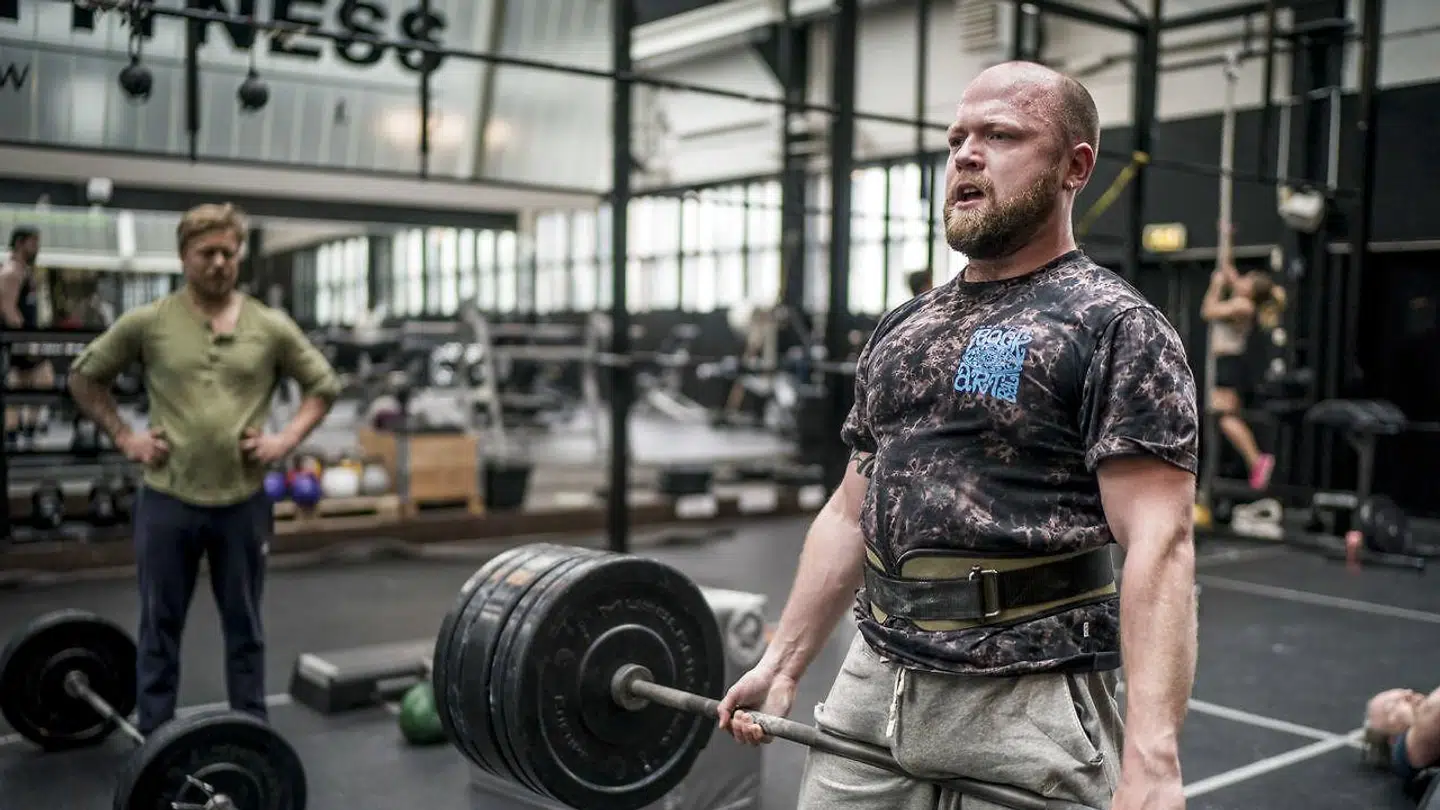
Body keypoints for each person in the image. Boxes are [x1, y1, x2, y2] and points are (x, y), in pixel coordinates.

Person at [716, 61, 1199, 810]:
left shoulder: (1115, 326)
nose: (966, 155)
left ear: (1075, 166)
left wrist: (1154, 760)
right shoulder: (906, 327)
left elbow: (1160, 544)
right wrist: (784, 662)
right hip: (874, 681)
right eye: (956, 140)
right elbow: (851, 510)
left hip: (1027, 696)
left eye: (1000, 135)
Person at [68, 203, 341, 735]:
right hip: (167, 499)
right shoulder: (151, 322)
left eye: (228, 252)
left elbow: (324, 386)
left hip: (242, 503)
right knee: (159, 626)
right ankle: (155, 738)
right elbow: (84, 376)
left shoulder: (269, 325)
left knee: (245, 627)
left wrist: (284, 440)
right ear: (183, 257)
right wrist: (127, 437)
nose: (219, 262)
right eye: (207, 253)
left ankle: (252, 736)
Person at [1200, 261, 1284, 490]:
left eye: (1247, 279)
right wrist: (1226, 235)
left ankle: (1256, 459)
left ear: (1251, 290)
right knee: (1224, 416)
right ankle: (1255, 461)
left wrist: (1215, 286)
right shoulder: (1242, 300)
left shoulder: (1243, 305)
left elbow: (1207, 311)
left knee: (1225, 417)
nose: (1241, 280)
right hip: (1227, 363)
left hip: (1229, 364)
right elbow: (1228, 270)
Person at [1, 226, 54, 448]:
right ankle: (18, 433)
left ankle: (21, 432)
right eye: (34, 243)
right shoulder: (11, 271)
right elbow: (7, 308)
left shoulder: (25, 271)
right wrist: (27, 341)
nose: (37, 248)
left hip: (24, 341)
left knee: (31, 383)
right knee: (40, 380)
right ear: (20, 243)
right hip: (18, 343)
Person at [1365, 687, 1440, 787]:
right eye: (1392, 706)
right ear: (1392, 740)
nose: (1409, 693)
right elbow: (1433, 713)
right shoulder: (1402, 754)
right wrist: (1412, 717)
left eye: (1404, 691)